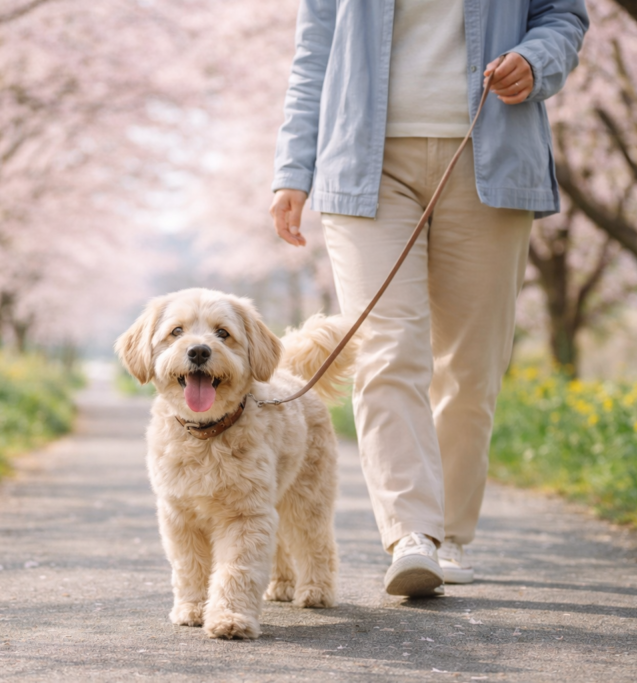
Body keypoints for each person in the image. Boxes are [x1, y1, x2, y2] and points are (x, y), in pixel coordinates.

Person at [269, 0, 588, 597]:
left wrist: (534, 58)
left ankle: (450, 533)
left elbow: (562, 16)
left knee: (470, 365)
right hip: (362, 162)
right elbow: (313, 52)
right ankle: (412, 534)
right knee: (387, 348)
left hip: (490, 151)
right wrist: (293, 168)